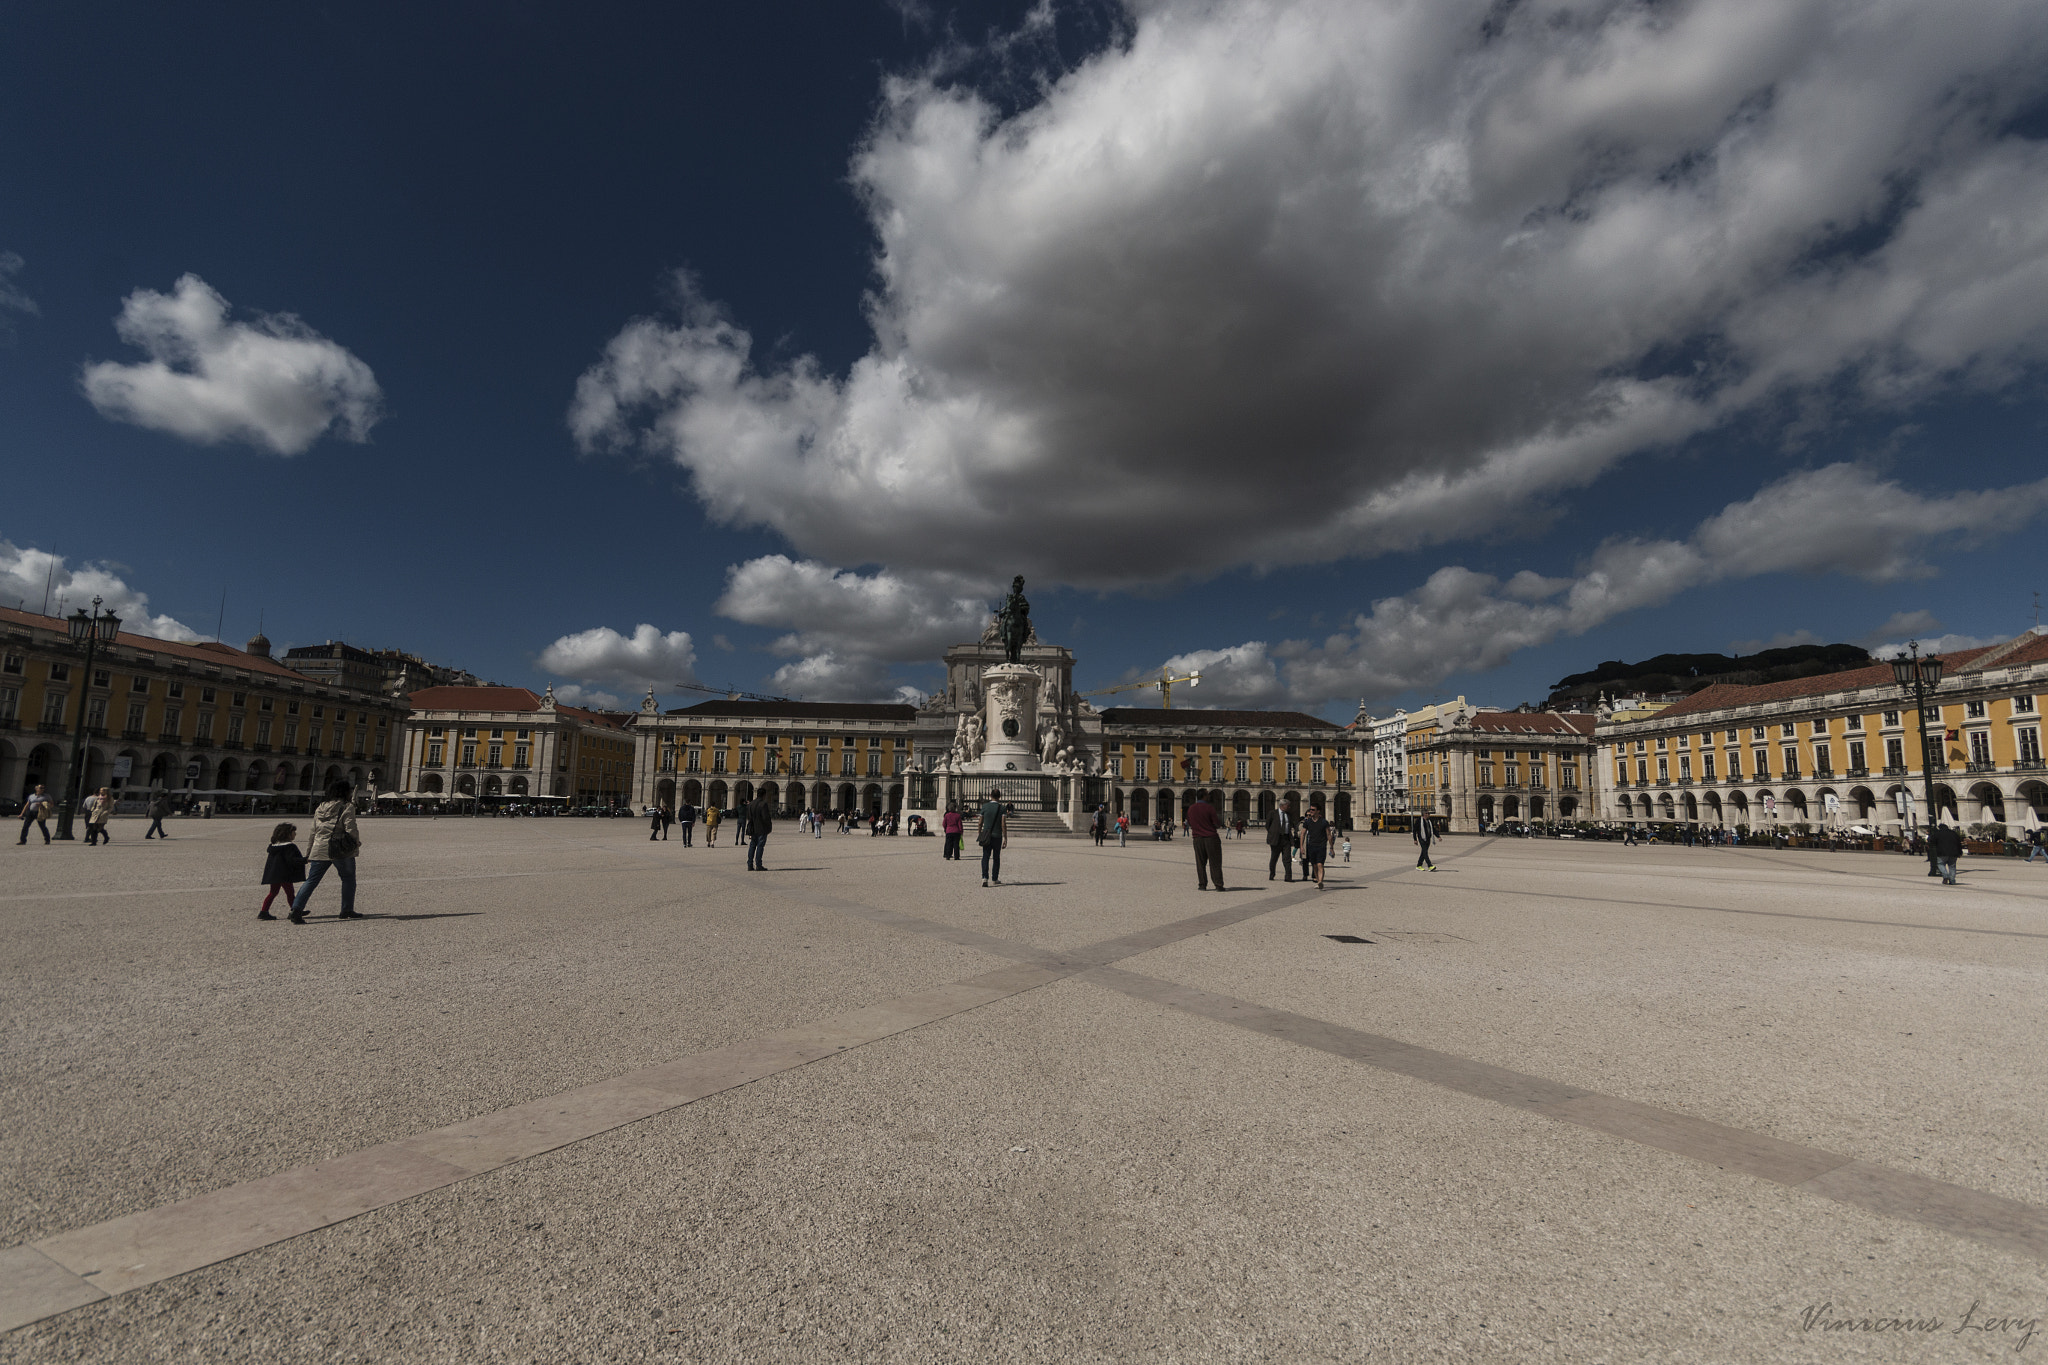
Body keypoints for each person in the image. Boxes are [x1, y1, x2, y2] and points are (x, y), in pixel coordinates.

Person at [290, 780, 364, 923]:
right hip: (340, 849)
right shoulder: (347, 807)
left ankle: (296, 909)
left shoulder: (320, 808)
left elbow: (313, 832)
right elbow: (351, 829)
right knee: (348, 879)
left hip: (319, 847)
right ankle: (346, 909)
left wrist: (309, 852)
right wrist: (356, 842)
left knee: (312, 881)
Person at [258, 822, 306, 921]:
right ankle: (295, 909)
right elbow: (292, 860)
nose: (295, 834)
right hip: (284, 874)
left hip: (274, 874)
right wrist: (305, 860)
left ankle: (264, 911)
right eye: (293, 832)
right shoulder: (289, 846)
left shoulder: (274, 846)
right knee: (290, 892)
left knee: (273, 892)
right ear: (287, 834)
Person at [1187, 788, 1225, 892]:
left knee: (1200, 863)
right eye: (1207, 794)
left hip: (1197, 839)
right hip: (1211, 838)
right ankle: (1218, 884)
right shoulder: (1209, 808)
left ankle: (1202, 885)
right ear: (1204, 796)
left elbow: (1189, 823)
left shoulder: (1191, 808)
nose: (1209, 796)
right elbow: (1217, 823)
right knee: (1215, 862)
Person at [978, 787, 1007, 887]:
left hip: (986, 835)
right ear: (1000, 797)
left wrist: (980, 833)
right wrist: (1005, 838)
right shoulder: (1002, 808)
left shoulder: (985, 807)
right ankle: (994, 878)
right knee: (996, 858)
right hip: (997, 836)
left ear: (990, 796)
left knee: (985, 856)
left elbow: (980, 822)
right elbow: (1003, 824)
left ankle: (984, 877)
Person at [1300, 801, 1331, 889]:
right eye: (1310, 810)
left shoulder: (1324, 822)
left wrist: (1331, 847)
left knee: (1320, 864)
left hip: (1321, 846)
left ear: (1318, 811)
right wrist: (1302, 847)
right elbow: (1303, 834)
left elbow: (1329, 834)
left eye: (1313, 810)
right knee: (1314, 865)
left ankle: (1320, 881)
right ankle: (1318, 881)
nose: (1311, 811)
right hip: (1311, 846)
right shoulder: (1307, 822)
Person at [745, 791, 774, 871]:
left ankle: (750, 864)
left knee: (752, 846)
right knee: (760, 846)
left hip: (753, 828)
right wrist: (769, 826)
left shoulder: (751, 804)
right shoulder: (763, 804)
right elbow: (765, 817)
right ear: (764, 795)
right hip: (761, 828)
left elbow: (748, 816)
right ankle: (758, 865)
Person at [1265, 802, 1294, 882]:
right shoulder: (1272, 813)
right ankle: (1272, 874)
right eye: (1288, 805)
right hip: (1276, 839)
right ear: (1282, 805)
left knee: (1287, 859)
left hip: (1286, 838)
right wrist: (1273, 833)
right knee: (1274, 858)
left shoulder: (1288, 814)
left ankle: (1288, 877)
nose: (1289, 807)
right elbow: (1267, 825)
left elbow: (1290, 825)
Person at [1930, 821, 1964, 885]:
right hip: (1954, 852)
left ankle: (1945, 876)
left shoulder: (1938, 833)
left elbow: (1932, 841)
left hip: (1942, 852)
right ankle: (1952, 880)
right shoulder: (1953, 833)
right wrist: (1960, 852)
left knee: (1940, 864)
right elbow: (1958, 843)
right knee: (1952, 866)